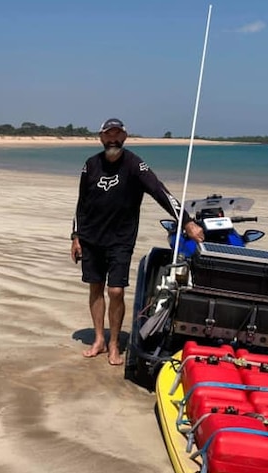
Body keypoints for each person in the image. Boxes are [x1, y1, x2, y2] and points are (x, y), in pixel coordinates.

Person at [71, 118, 205, 366]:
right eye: (108, 135)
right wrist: (75, 236)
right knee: (95, 288)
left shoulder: (135, 165)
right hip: (90, 238)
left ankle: (114, 344)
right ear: (101, 138)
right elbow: (81, 203)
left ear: (125, 137)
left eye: (117, 134)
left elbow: (159, 191)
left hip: (120, 240)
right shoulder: (90, 165)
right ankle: (99, 339)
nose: (113, 139)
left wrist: (186, 221)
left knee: (116, 290)